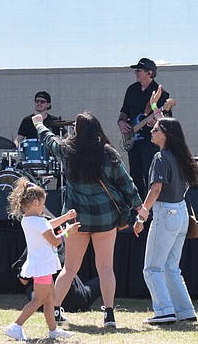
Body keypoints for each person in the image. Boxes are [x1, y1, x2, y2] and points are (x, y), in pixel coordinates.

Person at [33, 111, 148, 328]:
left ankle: (54, 309)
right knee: (105, 267)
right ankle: (109, 315)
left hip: (77, 219)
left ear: (78, 129)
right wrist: (139, 207)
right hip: (105, 217)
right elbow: (126, 182)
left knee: (70, 267)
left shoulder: (68, 151)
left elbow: (50, 141)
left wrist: (39, 124)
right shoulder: (108, 153)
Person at [133, 117, 198, 325]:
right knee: (171, 267)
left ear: (166, 134)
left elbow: (156, 189)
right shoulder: (180, 156)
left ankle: (164, 311)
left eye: (155, 130)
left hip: (166, 213)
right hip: (181, 213)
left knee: (152, 268)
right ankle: (184, 310)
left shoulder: (161, 157)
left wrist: (141, 215)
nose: (151, 132)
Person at [4, 178, 78, 341]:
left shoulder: (28, 220)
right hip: (43, 266)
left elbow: (48, 225)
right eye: (43, 203)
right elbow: (56, 241)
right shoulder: (40, 221)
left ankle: (53, 330)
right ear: (36, 202)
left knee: (50, 298)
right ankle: (15, 326)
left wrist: (65, 218)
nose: (44, 207)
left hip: (40, 265)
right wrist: (68, 231)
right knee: (38, 300)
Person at [117, 58, 171, 199]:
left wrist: (156, 122)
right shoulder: (132, 89)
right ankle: (137, 205)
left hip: (150, 140)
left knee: (149, 172)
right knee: (134, 173)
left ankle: (151, 209)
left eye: (139, 70)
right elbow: (124, 110)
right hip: (133, 138)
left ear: (149, 73)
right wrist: (121, 121)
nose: (136, 73)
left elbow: (166, 118)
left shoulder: (160, 93)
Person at [12, 248, 102, 314]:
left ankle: (51, 306)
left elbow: (23, 280)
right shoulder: (67, 242)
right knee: (101, 279)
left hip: (44, 302)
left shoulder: (36, 246)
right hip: (76, 299)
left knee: (32, 289)